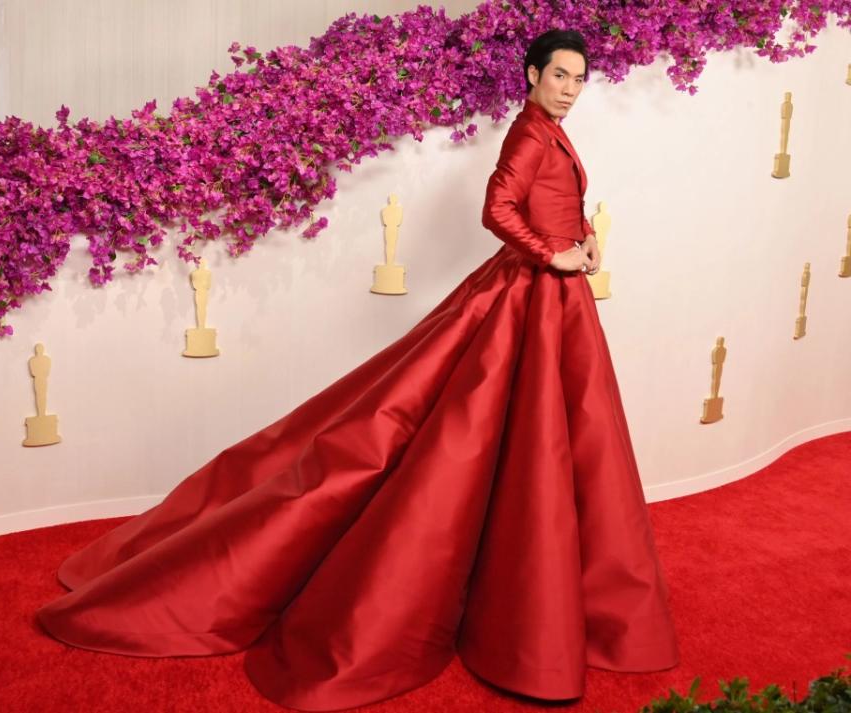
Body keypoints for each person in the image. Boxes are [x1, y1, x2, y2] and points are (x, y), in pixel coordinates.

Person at [36, 28, 680, 711]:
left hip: (555, 297)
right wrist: (549, 256)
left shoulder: (549, 131)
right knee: (487, 430)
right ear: (531, 75)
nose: (571, 89)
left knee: (546, 437)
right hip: (533, 294)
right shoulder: (527, 133)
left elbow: (549, 207)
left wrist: (580, 242)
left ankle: (529, 592)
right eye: (560, 76)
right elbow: (496, 208)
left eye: (580, 78)